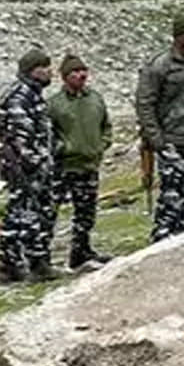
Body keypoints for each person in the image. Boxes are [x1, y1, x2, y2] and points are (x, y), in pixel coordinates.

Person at [136, 15, 184, 242]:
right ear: (179, 36)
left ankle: (183, 241)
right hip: (173, 142)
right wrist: (158, 141)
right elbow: (145, 104)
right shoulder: (160, 65)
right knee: (171, 199)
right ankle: (162, 241)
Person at [0, 49, 57, 284]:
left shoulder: (33, 93)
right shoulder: (20, 96)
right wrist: (35, 163)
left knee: (19, 213)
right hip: (25, 167)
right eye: (45, 67)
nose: (50, 71)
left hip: (32, 164)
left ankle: (11, 265)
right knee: (27, 213)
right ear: (33, 70)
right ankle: (34, 263)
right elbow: (21, 138)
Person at [48, 54, 113, 270]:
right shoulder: (55, 104)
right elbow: (48, 134)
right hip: (63, 167)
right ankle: (41, 256)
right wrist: (63, 149)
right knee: (50, 211)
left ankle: (81, 252)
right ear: (64, 77)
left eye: (83, 71)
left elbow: (106, 125)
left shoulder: (95, 98)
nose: (81, 75)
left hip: (89, 165)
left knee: (86, 212)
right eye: (75, 72)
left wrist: (102, 144)